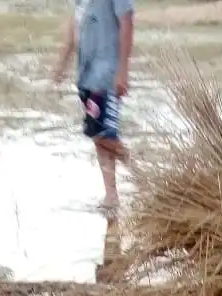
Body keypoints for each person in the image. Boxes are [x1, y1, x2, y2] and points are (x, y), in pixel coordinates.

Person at [54, 0, 135, 218]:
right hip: (86, 74)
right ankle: (111, 196)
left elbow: (127, 22)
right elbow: (75, 26)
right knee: (98, 136)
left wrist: (123, 71)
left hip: (106, 74)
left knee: (103, 134)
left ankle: (141, 169)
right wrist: (62, 65)